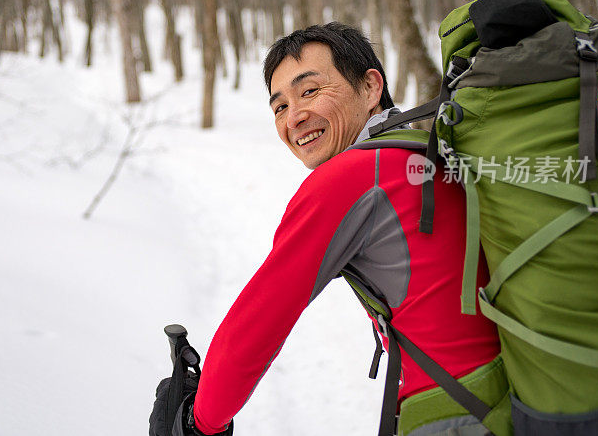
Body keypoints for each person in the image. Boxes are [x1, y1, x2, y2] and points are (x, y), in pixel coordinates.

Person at [151, 23, 504, 436]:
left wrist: (198, 421)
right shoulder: (416, 155)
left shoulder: (353, 176)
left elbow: (259, 319)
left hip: (454, 414)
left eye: (310, 90)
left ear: (372, 88)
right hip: (505, 391)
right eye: (279, 106)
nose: (295, 117)